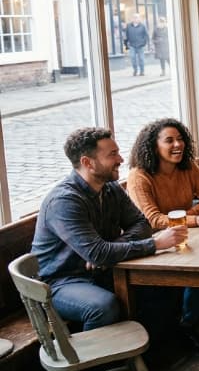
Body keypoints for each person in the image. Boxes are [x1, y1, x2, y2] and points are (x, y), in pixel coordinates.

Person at [31, 128, 186, 331]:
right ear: (87, 162)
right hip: (59, 282)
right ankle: (93, 353)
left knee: (165, 285)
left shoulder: (110, 188)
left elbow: (141, 224)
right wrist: (155, 244)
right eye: (112, 154)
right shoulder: (64, 201)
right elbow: (98, 253)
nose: (120, 159)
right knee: (103, 307)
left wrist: (110, 248)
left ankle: (157, 344)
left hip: (104, 271)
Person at [126, 118, 199, 351]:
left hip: (186, 236)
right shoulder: (139, 176)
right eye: (169, 140)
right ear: (153, 146)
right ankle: (186, 326)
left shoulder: (188, 166)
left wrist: (187, 216)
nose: (178, 145)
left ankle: (189, 322)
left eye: (180, 139)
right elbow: (154, 220)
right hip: (154, 245)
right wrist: (195, 218)